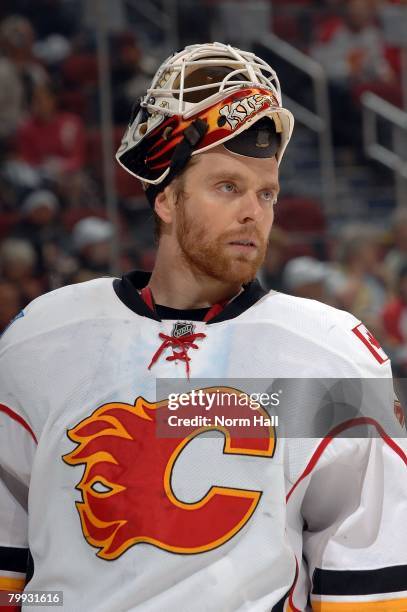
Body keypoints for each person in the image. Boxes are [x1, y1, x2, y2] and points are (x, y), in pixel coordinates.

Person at [0, 42, 406, 612]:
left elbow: (367, 580)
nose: (254, 213)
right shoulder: (40, 338)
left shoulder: (331, 354)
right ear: (166, 199)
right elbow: (9, 562)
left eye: (266, 193)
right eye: (228, 188)